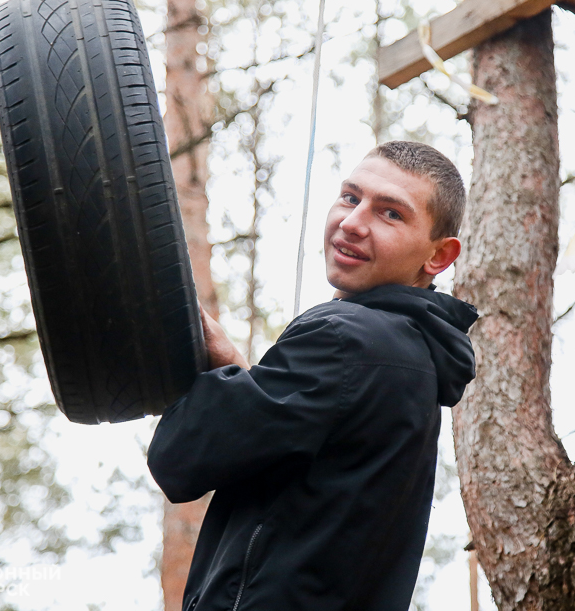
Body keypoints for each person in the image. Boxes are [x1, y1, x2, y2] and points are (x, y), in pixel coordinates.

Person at [147, 141, 479, 611]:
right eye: (350, 197)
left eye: (390, 214)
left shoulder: (346, 338)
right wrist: (237, 371)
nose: (353, 222)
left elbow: (179, 458)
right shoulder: (412, 355)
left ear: (439, 256)